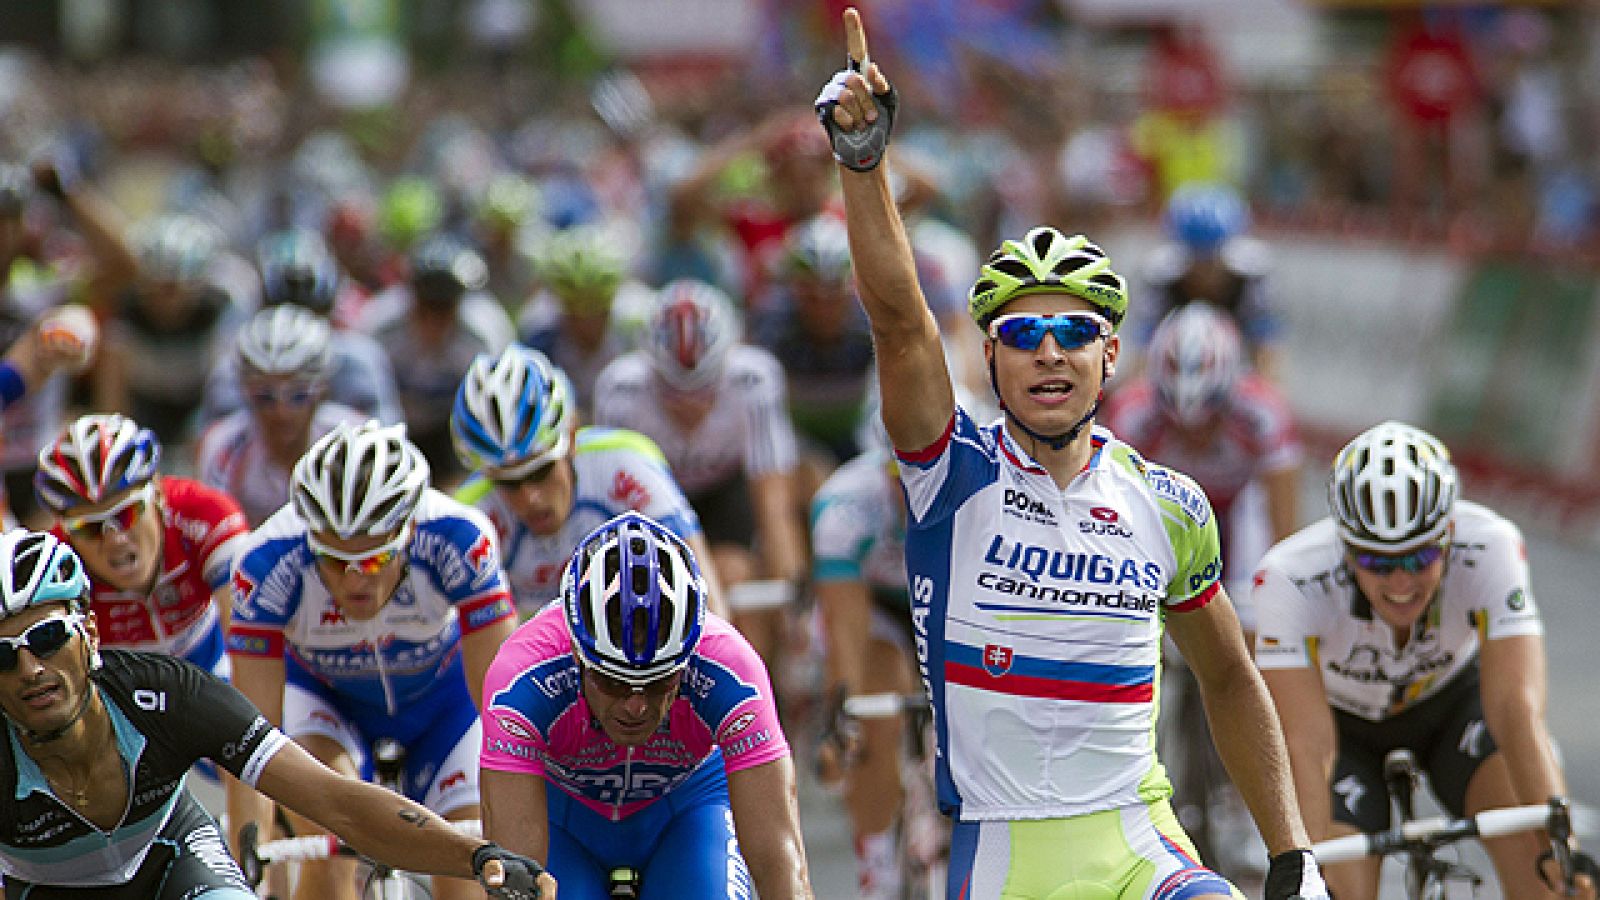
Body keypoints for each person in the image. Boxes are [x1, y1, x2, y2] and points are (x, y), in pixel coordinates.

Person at [814, 10, 1327, 899]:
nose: (1049, 351)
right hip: (1009, 858)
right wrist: (866, 167)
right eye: (1023, 334)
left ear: (1110, 355)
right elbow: (900, 326)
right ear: (991, 358)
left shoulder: (1168, 502)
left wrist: (1291, 852)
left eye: (1073, 332)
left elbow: (1231, 681)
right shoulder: (951, 473)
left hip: (1144, 843)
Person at [0, 528, 554, 898]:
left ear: (89, 636)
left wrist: (478, 855)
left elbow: (339, 804)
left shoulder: (165, 698)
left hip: (170, 860)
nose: (30, 669)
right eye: (4, 655)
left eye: (47, 638)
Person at [1253, 421, 1596, 900]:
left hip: (1451, 707)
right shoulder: (1288, 577)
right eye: (1376, 562)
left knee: (1549, 875)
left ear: (1449, 534)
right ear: (1346, 550)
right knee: (1336, 884)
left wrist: (1564, 848)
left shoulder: (1492, 545)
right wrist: (1305, 870)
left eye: (1419, 558)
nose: (1400, 583)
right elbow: (1306, 744)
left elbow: (1515, 710)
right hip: (1341, 729)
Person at [225, 420, 520, 900]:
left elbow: (504, 702)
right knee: (333, 836)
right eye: (334, 561)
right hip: (327, 703)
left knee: (466, 870)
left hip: (442, 710)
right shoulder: (266, 563)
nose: (354, 581)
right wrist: (247, 851)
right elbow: (250, 734)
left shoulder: (457, 538)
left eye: (375, 561)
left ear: (407, 534)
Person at [479, 511, 813, 899]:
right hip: (563, 823)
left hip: (688, 812)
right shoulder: (522, 676)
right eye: (612, 682)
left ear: (688, 659)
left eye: (659, 683)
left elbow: (781, 865)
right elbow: (517, 883)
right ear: (576, 653)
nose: (635, 706)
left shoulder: (731, 669)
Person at [593, 278, 805, 694]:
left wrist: (793, 602)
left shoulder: (753, 380)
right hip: (648, 501)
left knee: (737, 578)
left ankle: (751, 694)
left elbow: (775, 504)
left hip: (723, 495)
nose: (690, 407)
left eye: (704, 393)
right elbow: (606, 509)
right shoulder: (620, 389)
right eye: (673, 395)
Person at [450, 343, 726, 617]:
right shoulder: (471, 513)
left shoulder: (625, 464)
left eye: (539, 472)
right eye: (508, 483)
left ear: (570, 438)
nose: (529, 497)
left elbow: (708, 602)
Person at [1103, 302, 1300, 625]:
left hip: (1237, 505)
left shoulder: (1264, 413)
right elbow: (1112, 514)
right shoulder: (1132, 414)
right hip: (1165, 510)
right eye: (1177, 424)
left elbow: (1283, 527)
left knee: (1261, 597)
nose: (1194, 435)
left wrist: (1278, 591)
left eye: (1209, 421)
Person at [35, 413, 248, 680]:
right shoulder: (54, 566)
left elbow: (248, 643)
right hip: (125, 700)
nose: (116, 539)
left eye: (127, 513)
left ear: (156, 492)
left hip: (215, 675)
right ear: (67, 532)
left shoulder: (205, 515)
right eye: (89, 527)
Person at [808, 430, 921, 899]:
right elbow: (847, 636)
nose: (915, 494)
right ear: (883, 470)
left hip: (952, 605)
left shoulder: (988, 497)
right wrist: (843, 720)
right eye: (903, 478)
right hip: (877, 608)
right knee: (877, 694)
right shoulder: (845, 508)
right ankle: (878, 868)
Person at [199, 228, 402, 427]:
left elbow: (388, 437)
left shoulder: (359, 360)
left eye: (311, 314)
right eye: (265, 395)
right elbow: (207, 440)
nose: (296, 329)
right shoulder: (233, 367)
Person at [196, 305, 368, 527]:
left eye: (299, 395)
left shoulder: (355, 439)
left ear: (322, 391)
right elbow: (216, 527)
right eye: (264, 396)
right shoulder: (224, 444)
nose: (281, 411)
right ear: (245, 392)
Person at [1138, 182, 1281, 380]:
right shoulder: (1160, 276)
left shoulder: (1252, 276)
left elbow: (1266, 349)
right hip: (1172, 376)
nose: (1204, 270)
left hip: (1236, 376)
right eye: (1195, 259)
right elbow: (1143, 354)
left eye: (1211, 260)